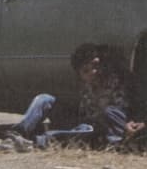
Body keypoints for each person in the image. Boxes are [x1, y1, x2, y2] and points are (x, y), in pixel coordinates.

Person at [14, 42, 146, 149]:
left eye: (96, 66)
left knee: (99, 120)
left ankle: (39, 141)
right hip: (88, 124)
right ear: (80, 76)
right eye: (86, 71)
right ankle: (18, 134)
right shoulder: (86, 87)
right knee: (44, 99)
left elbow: (123, 112)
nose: (94, 72)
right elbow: (84, 113)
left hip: (107, 127)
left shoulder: (116, 82)